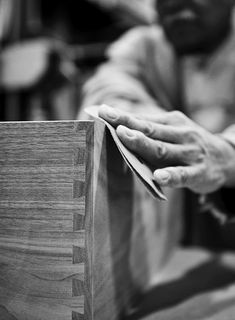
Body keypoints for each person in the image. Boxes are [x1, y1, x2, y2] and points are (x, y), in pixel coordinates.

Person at [78, 0, 235, 248]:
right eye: (165, 3)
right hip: (176, 246)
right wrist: (151, 124)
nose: (178, 11)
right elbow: (105, 88)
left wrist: (227, 153)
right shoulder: (145, 45)